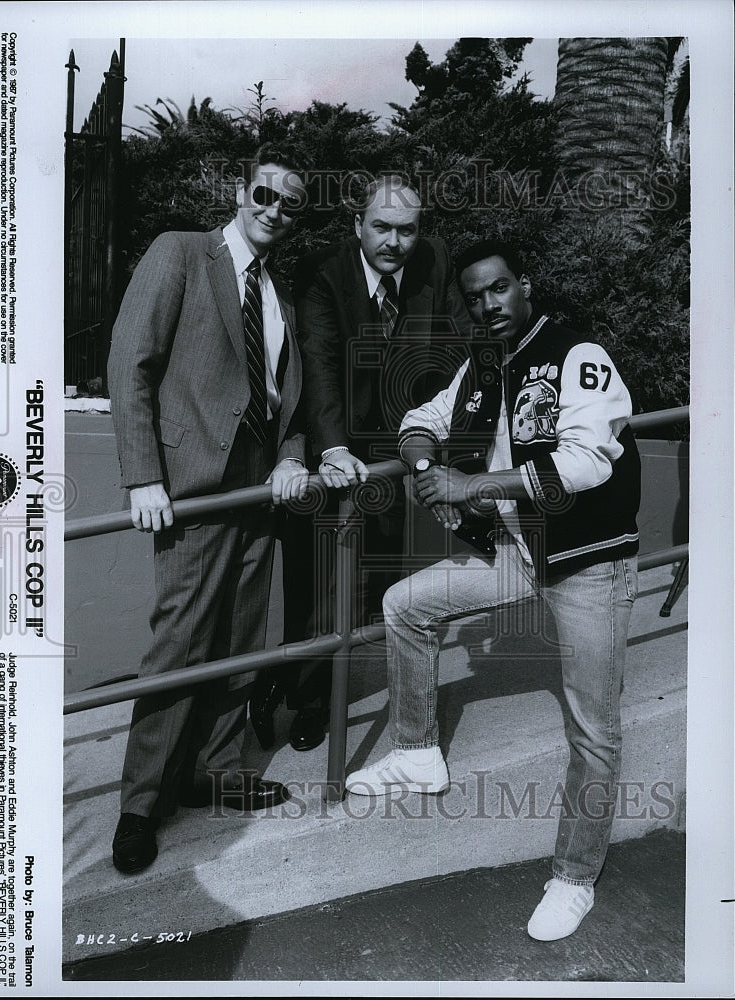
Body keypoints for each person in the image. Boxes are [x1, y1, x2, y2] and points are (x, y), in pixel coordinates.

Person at [345, 239, 641, 942]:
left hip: (585, 560)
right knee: (405, 606)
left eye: (500, 289)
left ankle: (574, 879)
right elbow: (422, 420)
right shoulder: (478, 368)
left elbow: (586, 462)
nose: (489, 304)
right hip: (516, 549)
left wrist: (471, 484)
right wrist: (422, 460)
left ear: (525, 286)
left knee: (593, 728)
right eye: (475, 295)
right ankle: (418, 753)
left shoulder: (577, 355)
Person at [106, 145, 310, 875]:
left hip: (258, 491)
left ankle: (217, 771)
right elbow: (131, 361)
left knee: (242, 636)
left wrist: (291, 454)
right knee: (181, 641)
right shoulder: (181, 253)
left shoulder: (278, 291)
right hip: (191, 487)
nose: (274, 211)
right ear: (239, 190)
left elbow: (283, 392)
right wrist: (142, 477)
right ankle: (140, 801)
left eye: (290, 203)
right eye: (265, 194)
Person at [250, 174, 471, 753]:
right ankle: (305, 698)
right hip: (333, 449)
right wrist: (332, 448)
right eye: (382, 227)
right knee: (317, 578)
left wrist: (434, 438)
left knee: (374, 582)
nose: (395, 242)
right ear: (358, 225)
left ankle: (306, 677)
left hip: (397, 453)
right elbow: (319, 366)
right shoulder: (326, 272)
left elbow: (456, 352)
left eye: (407, 229)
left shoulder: (434, 264)